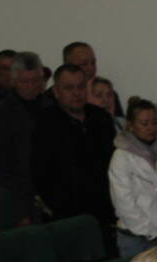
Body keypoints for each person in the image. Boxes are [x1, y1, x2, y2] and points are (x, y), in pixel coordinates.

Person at [31, 64, 116, 244]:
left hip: (104, 211)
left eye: (81, 86)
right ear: (56, 92)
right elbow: (40, 173)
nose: (76, 93)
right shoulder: (45, 124)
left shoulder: (101, 118)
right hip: (66, 216)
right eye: (69, 88)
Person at [109, 97, 157, 259]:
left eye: (154, 123)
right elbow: (124, 203)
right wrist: (153, 231)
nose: (150, 128)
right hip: (134, 237)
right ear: (130, 125)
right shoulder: (121, 156)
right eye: (144, 124)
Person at [0, 51, 51, 224]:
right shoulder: (0, 114)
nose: (30, 86)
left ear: (42, 80)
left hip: (53, 194)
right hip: (22, 199)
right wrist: (20, 211)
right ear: (14, 81)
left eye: (35, 81)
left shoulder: (51, 108)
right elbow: (1, 169)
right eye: (24, 81)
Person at [64, 40, 122, 119]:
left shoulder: (108, 94)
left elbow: (119, 122)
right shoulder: (54, 98)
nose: (91, 68)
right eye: (84, 64)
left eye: (93, 63)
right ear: (67, 65)